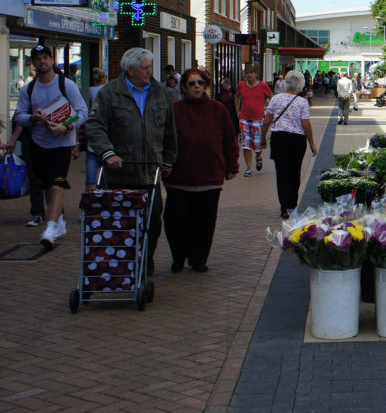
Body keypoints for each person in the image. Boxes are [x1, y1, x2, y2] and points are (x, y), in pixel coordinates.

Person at [88, 47, 177, 273]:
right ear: (130, 70)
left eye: (150, 67)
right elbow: (95, 126)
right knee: (123, 223)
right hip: (121, 172)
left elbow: (169, 130)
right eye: (145, 68)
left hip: (151, 171)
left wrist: (168, 160)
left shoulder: (159, 92)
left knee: (153, 223)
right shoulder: (110, 93)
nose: (150, 72)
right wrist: (108, 153)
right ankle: (129, 264)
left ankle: (145, 258)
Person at [163, 68, 239, 273]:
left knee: (204, 222)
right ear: (183, 88)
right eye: (192, 83)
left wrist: (232, 166)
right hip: (179, 177)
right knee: (175, 221)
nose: (197, 86)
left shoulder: (218, 109)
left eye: (200, 83)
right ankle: (178, 256)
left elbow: (230, 140)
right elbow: (164, 139)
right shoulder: (174, 110)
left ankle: (198, 259)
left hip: (209, 177)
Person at [13, 45, 88, 248]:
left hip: (62, 144)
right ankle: (59, 222)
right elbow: (19, 115)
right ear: (33, 63)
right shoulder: (28, 88)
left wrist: (66, 127)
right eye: (38, 59)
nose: (42, 62)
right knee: (47, 186)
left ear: (52, 60)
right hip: (39, 144)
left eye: (45, 57)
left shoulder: (67, 85)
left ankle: (50, 227)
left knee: (57, 184)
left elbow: (83, 112)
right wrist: (33, 118)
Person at [261, 70, 318, 219]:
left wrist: (263, 137)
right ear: (300, 85)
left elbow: (267, 120)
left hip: (279, 138)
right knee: (295, 172)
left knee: (282, 173)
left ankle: (283, 207)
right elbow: (306, 124)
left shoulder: (275, 99)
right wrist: (312, 143)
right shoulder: (302, 102)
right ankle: (292, 205)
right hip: (297, 141)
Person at [235, 66, 273, 177]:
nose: (249, 75)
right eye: (247, 73)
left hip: (258, 120)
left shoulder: (263, 85)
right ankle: (249, 168)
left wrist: (270, 112)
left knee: (257, 145)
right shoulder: (241, 85)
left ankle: (258, 157)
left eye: (251, 73)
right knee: (246, 144)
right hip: (244, 119)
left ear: (256, 74)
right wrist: (237, 110)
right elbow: (237, 97)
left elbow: (272, 97)